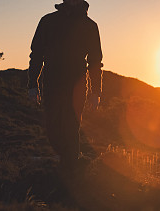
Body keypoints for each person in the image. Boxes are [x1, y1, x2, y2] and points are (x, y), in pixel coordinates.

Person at [27, 0, 103, 171]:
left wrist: (95, 91)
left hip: (77, 84)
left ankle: (71, 170)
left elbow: (95, 61)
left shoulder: (89, 25)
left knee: (71, 126)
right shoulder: (48, 21)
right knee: (53, 128)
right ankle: (66, 162)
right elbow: (37, 54)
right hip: (52, 83)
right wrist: (33, 84)